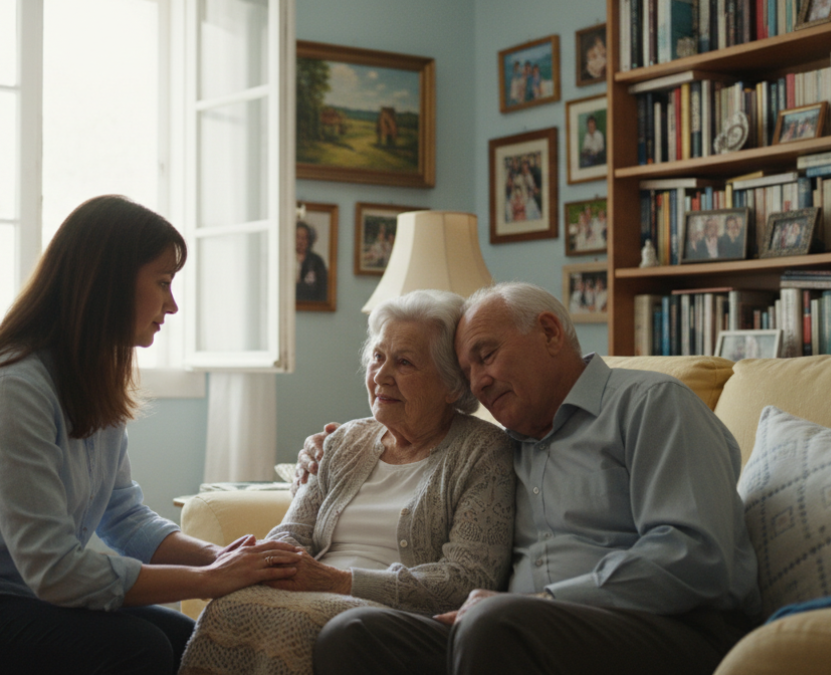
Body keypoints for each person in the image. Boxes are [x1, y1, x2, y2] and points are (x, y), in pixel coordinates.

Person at [0, 195, 303, 675]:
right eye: (163, 283)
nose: (172, 305)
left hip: (11, 600)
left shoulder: (91, 379)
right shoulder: (10, 387)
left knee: (190, 641)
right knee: (139, 648)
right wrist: (206, 578)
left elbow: (123, 517)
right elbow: (56, 572)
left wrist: (220, 559)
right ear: (110, 285)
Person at [297, 282, 760, 675]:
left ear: (549, 332)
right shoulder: (502, 446)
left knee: (493, 625)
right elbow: (417, 435)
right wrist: (333, 445)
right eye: (467, 370)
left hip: (671, 627)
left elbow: (696, 557)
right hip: (508, 631)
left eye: (487, 355)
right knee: (353, 634)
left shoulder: (652, 404)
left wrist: (547, 600)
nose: (477, 382)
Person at [178, 290, 515, 675]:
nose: (381, 376)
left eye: (404, 362)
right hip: (314, 590)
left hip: (395, 616)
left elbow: (466, 578)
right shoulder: (344, 441)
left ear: (452, 385)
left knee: (299, 623)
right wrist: (277, 566)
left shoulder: (484, 452)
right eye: (377, 357)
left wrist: (339, 581)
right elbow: (292, 531)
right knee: (229, 606)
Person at [296, 220, 328, 303]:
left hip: (311, 305)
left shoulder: (317, 261)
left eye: (304, 238)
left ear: (309, 240)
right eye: (297, 237)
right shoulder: (284, 259)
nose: (300, 241)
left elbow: (322, 289)